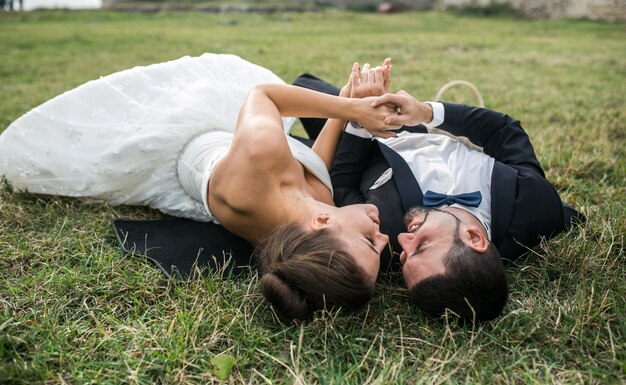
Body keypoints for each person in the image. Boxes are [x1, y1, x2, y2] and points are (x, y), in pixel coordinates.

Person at [0, 53, 397, 323]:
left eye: (369, 243)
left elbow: (264, 95)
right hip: (249, 157)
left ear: (322, 223)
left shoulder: (258, 161)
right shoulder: (310, 213)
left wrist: (348, 111)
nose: (382, 237)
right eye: (378, 246)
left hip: (192, 141)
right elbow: (316, 165)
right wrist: (350, 102)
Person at [295, 74, 582, 322]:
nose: (403, 241)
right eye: (422, 245)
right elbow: (503, 131)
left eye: (405, 256)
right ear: (475, 238)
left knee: (299, 102)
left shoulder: (383, 236)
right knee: (303, 84)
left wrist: (359, 120)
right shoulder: (534, 204)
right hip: (416, 124)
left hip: (366, 146)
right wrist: (425, 112)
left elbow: (343, 184)